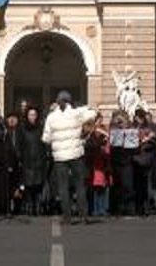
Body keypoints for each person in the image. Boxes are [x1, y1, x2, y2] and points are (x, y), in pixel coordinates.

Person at [42, 90, 96, 224]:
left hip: (60, 157)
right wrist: (80, 108)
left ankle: (67, 217)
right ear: (69, 101)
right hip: (76, 154)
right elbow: (93, 113)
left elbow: (46, 138)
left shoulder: (51, 117)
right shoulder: (76, 113)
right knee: (80, 185)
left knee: (63, 187)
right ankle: (83, 215)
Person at [17, 106, 49, 216]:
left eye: (34, 115)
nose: (32, 117)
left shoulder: (40, 128)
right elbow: (19, 145)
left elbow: (45, 144)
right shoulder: (22, 129)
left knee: (38, 185)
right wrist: (19, 157)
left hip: (39, 161)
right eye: (30, 115)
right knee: (28, 186)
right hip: (27, 161)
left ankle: (37, 205)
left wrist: (45, 157)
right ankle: (29, 205)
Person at [85, 117, 111, 217]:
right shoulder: (90, 137)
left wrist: (105, 135)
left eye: (100, 123)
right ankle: (95, 209)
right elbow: (90, 147)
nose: (98, 126)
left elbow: (108, 148)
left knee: (103, 188)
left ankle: (103, 208)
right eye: (97, 123)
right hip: (94, 165)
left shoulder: (104, 135)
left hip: (103, 165)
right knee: (95, 188)